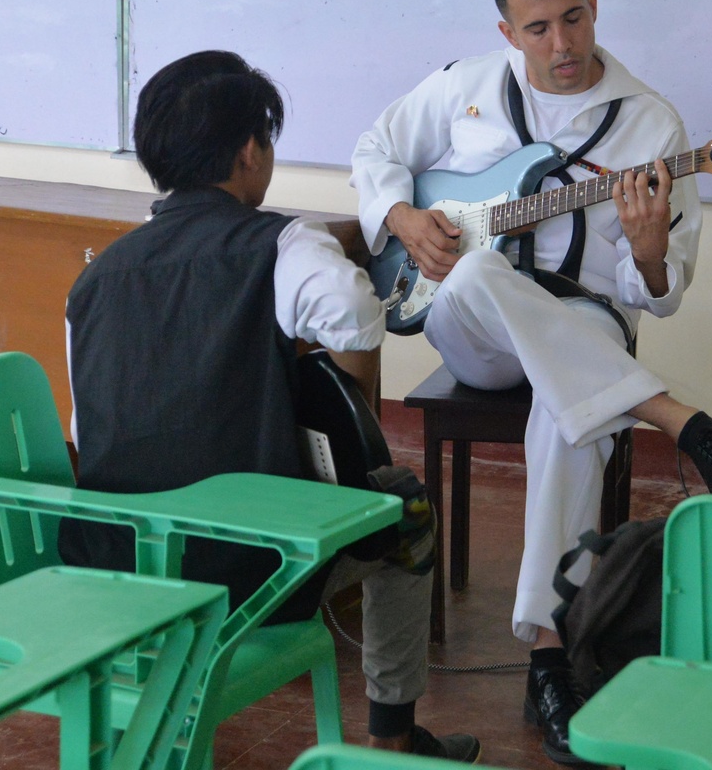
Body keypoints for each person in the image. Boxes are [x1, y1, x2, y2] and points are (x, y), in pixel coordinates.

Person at [351, 0, 712, 764]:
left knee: (570, 412)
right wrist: (403, 219)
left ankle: (549, 656)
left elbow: (660, 288)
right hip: (471, 327)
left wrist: (650, 252)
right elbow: (376, 150)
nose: (563, 46)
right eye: (539, 27)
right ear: (507, 31)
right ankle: (680, 422)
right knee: (475, 271)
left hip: (584, 324)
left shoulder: (653, 125)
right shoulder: (463, 87)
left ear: (595, 4)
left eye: (575, 19)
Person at [58, 50, 480, 763]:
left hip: (115, 572)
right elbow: (356, 318)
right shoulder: (280, 243)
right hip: (247, 575)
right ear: (251, 151)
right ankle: (393, 738)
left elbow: (87, 427)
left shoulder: (95, 280)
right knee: (407, 507)